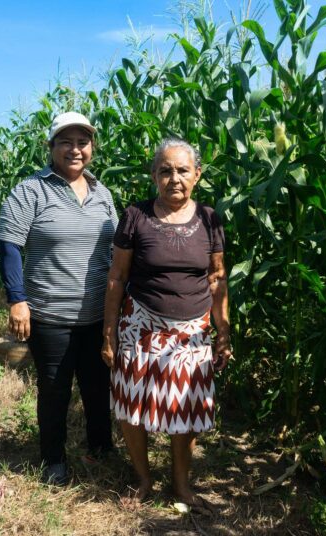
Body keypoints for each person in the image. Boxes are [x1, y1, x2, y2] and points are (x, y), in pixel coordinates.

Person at [101, 137, 232, 508]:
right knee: (133, 404)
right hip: (140, 325)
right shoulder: (136, 216)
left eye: (183, 170)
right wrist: (109, 331)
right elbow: (117, 277)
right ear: (154, 175)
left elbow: (217, 277)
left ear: (197, 175)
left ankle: (181, 484)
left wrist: (223, 331)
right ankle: (142, 480)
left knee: (186, 407)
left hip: (192, 329)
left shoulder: (209, 218)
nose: (174, 178)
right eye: (165, 170)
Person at [0, 111, 117, 486]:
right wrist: (17, 299)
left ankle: (101, 448)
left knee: (99, 387)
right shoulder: (30, 190)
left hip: (98, 313)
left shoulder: (102, 193)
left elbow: (115, 251)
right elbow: (9, 246)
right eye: (65, 142)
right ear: (50, 147)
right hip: (50, 313)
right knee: (54, 389)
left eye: (82, 142)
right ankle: (53, 459)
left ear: (92, 148)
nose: (75, 149)